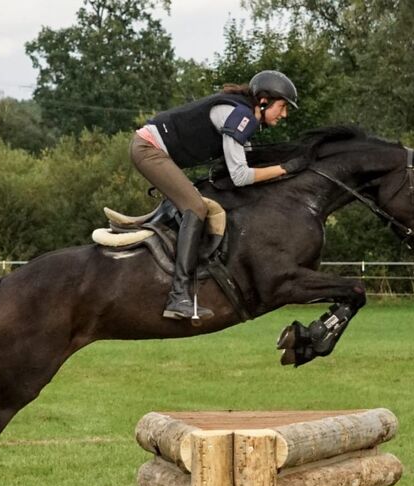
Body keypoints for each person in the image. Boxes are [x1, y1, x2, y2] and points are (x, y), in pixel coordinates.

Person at [130, 70, 306, 321]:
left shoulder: (243, 115)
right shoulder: (241, 116)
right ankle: (178, 295)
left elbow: (244, 168)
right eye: (282, 106)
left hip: (155, 150)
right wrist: (286, 169)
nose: (285, 114)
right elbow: (241, 176)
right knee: (196, 207)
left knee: (202, 200)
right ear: (264, 101)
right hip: (148, 150)